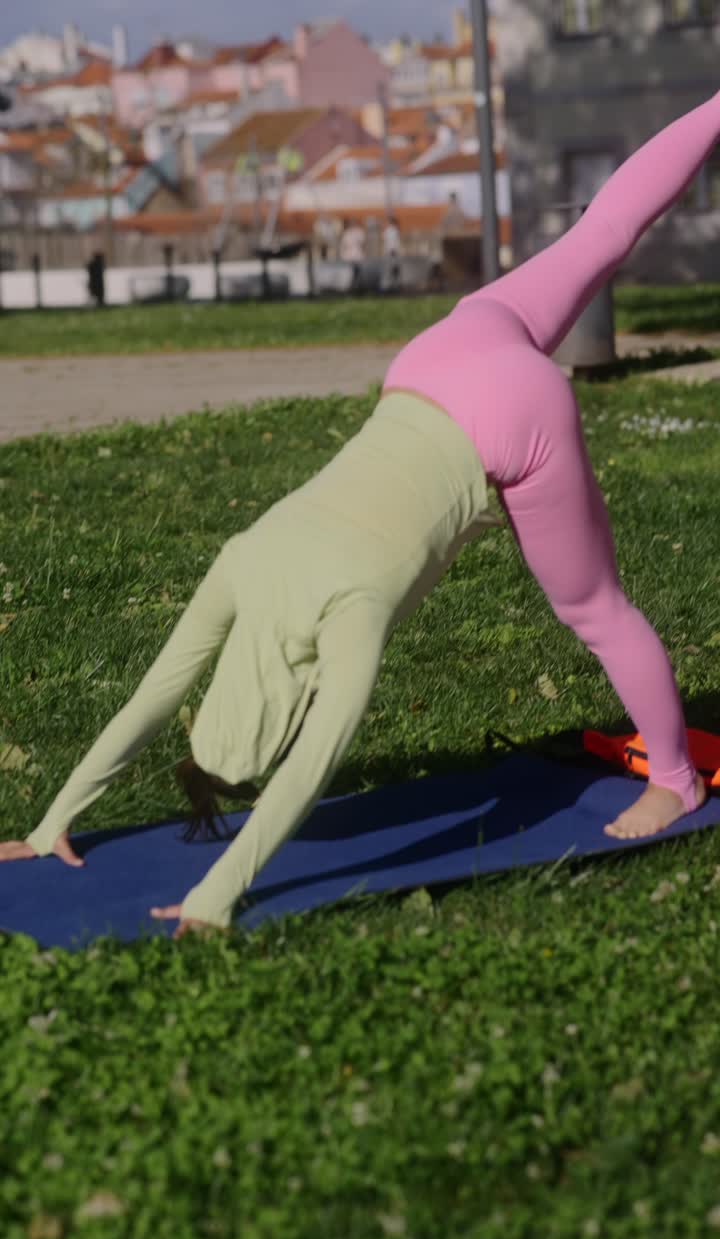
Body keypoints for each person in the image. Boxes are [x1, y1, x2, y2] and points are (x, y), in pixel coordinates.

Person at [3, 93, 717, 937]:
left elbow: (310, 769)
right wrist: (50, 824)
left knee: (594, 609)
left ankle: (676, 779)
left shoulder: (352, 622)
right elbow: (156, 698)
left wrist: (215, 892)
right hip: (439, 355)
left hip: (514, 415)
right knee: (601, 233)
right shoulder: (246, 554)